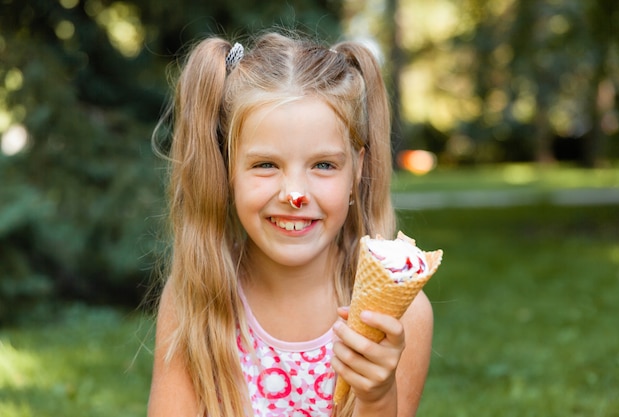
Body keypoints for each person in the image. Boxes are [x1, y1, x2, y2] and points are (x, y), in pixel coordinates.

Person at [147, 31, 433, 417]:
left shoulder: (402, 315)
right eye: (266, 165)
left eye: (323, 165)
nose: (294, 194)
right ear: (227, 168)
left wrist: (377, 395)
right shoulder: (194, 299)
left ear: (357, 169)